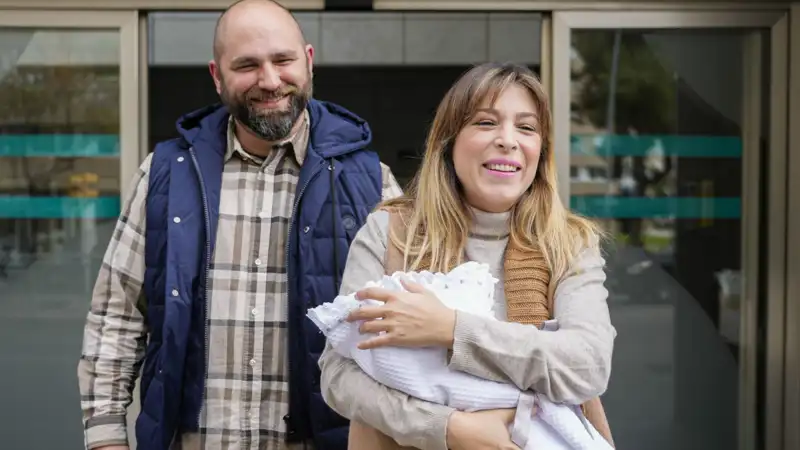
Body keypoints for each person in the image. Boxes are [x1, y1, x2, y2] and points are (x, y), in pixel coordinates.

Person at [77, 0, 402, 449]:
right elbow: (116, 317)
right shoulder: (166, 174)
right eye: (247, 65)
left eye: (283, 60)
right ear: (217, 76)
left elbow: (405, 338)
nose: (270, 81)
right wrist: (106, 435)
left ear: (308, 61)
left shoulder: (373, 184)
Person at [318, 62, 617, 450]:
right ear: (449, 141)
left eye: (526, 127)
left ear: (540, 152)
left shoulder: (569, 243)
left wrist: (451, 329)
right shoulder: (389, 232)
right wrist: (446, 428)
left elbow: (587, 365)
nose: (508, 140)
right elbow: (339, 374)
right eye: (486, 122)